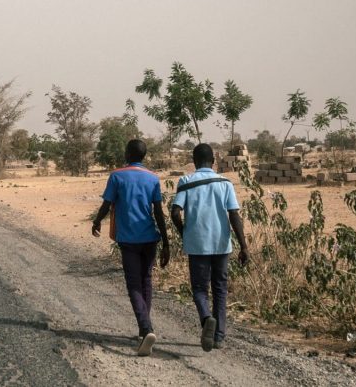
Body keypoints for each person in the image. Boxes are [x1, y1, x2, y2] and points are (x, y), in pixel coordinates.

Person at [91, 139, 170, 357]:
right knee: (146, 280)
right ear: (144, 156)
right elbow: (158, 213)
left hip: (128, 240)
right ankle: (143, 328)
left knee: (133, 283)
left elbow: (107, 204)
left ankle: (146, 329)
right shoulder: (153, 178)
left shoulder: (117, 176)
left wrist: (97, 221)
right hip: (150, 239)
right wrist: (166, 242)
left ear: (127, 153)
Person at [171, 143, 248, 352]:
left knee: (199, 289)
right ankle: (219, 337)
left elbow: (175, 212)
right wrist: (244, 246)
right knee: (220, 289)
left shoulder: (186, 181)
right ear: (213, 161)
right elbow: (234, 215)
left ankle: (206, 319)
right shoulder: (225, 183)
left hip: (197, 245)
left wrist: (184, 232)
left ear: (193, 161)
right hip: (222, 244)